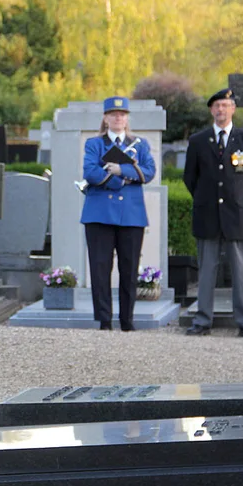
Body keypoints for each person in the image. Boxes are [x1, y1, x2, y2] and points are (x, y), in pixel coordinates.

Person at [80, 96, 157, 331]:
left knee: (129, 268)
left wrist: (120, 169)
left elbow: (150, 171)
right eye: (113, 114)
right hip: (99, 214)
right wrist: (121, 180)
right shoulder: (94, 143)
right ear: (105, 118)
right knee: (100, 269)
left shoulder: (140, 144)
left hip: (131, 215)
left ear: (127, 118)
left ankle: (127, 320)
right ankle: (104, 320)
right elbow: (91, 172)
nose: (118, 117)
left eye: (122, 114)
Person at [183, 88, 243, 336]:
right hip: (207, 214)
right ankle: (202, 321)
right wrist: (204, 199)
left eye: (225, 105)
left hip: (237, 215)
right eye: (217, 105)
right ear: (211, 110)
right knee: (207, 269)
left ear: (233, 109)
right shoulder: (198, 141)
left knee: (241, 271)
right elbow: (190, 177)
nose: (221, 109)